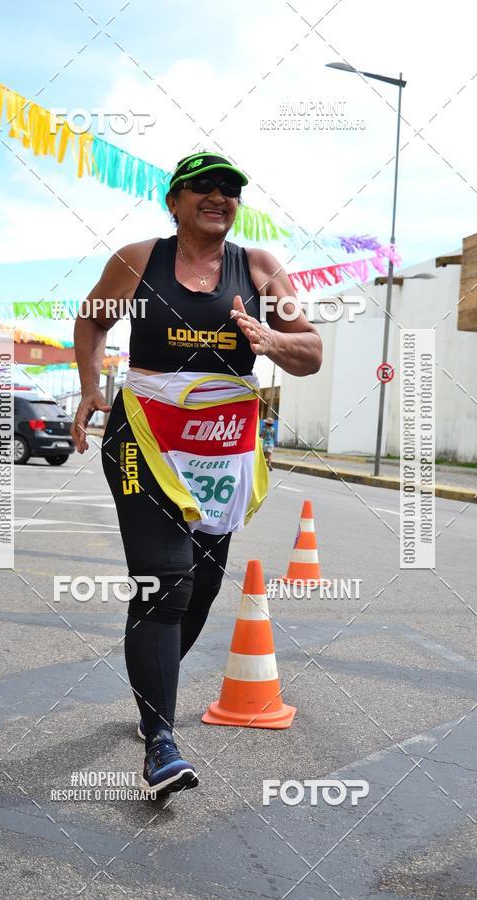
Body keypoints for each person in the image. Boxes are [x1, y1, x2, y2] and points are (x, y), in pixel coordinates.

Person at [71, 151, 322, 797]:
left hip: (220, 447)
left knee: (203, 588)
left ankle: (153, 684)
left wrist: (272, 343)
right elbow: (92, 320)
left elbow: (312, 353)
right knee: (168, 584)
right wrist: (91, 387)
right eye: (202, 188)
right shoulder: (137, 260)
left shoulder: (260, 268)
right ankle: (161, 740)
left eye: (230, 189)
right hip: (144, 439)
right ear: (175, 201)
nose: (218, 196)